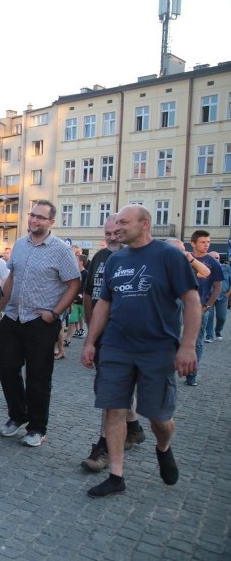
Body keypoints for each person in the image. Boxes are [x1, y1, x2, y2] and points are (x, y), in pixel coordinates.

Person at [81, 205, 199, 497]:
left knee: (159, 417)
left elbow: (192, 300)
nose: (118, 227)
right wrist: (90, 341)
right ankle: (116, 476)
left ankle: (163, 446)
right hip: (117, 348)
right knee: (114, 409)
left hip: (157, 350)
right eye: (116, 223)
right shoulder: (116, 259)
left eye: (124, 222)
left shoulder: (169, 256)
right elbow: (104, 304)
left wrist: (187, 346)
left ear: (145, 223)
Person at [0, 200, 81, 447]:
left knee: (38, 377)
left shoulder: (61, 250)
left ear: (51, 222)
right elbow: (11, 280)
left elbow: (74, 284)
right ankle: (17, 415)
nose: (33, 220)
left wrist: (55, 313)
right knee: (7, 367)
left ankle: (37, 428)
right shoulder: (19, 245)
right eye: (32, 215)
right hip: (14, 317)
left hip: (41, 322)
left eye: (40, 217)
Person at [79, 216, 146, 473]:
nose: (111, 237)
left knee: (109, 393)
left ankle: (104, 447)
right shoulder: (100, 257)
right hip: (102, 336)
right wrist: (90, 334)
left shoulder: (137, 259)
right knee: (114, 391)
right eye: (107, 233)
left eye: (116, 232)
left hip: (124, 337)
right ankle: (134, 427)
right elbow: (89, 294)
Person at [188, 230, 223, 386]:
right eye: (203, 242)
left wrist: (207, 306)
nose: (206, 244)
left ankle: (192, 374)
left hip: (200, 307)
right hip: (181, 306)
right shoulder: (185, 259)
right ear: (193, 243)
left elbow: (217, 287)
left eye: (208, 242)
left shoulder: (213, 263)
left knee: (198, 342)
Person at [63, 254, 88, 346]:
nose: (74, 261)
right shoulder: (74, 273)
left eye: (76, 259)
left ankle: (93, 340)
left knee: (88, 321)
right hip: (74, 302)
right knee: (72, 321)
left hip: (83, 303)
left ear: (81, 262)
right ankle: (68, 339)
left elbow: (87, 288)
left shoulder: (86, 274)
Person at [205, 254, 230, 340]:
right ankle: (209, 336)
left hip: (223, 296)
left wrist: (228, 293)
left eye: (217, 257)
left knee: (221, 317)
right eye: (212, 258)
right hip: (209, 296)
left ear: (219, 259)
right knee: (209, 316)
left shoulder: (227, 268)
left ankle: (218, 331)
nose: (215, 259)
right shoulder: (204, 268)